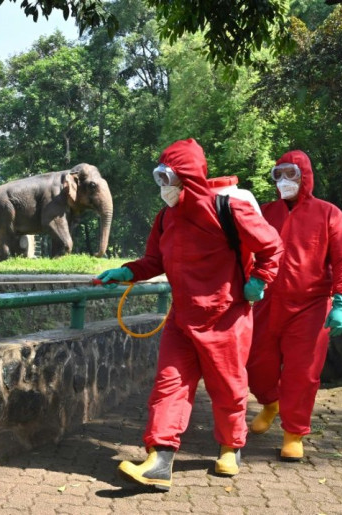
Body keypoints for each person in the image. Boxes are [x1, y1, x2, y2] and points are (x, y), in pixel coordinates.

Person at [96, 138, 283, 490]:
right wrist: (128, 271)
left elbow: (272, 245)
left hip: (226, 317)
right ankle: (159, 460)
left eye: (168, 177)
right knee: (168, 386)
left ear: (188, 177)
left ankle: (231, 447)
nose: (162, 187)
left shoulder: (228, 209)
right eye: (159, 178)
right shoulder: (167, 218)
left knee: (228, 388)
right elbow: (155, 260)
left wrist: (260, 280)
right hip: (182, 320)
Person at [246, 150, 342, 462]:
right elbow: (244, 249)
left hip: (311, 307)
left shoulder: (329, 214)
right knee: (257, 364)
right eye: (278, 174)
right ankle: (270, 403)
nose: (283, 181)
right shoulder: (265, 213)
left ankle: (293, 432)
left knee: (302, 372)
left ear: (304, 176)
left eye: (290, 174)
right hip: (266, 303)